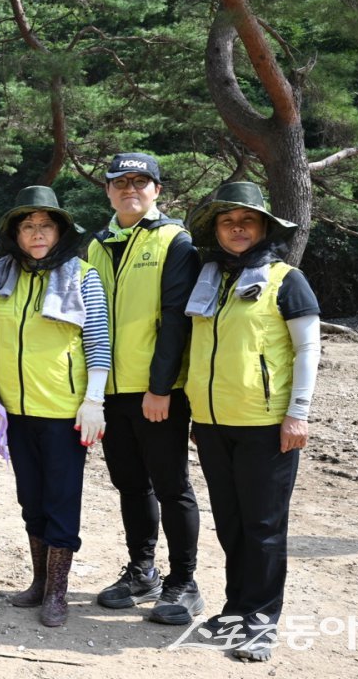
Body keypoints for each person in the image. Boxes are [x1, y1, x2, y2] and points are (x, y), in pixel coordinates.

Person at [183, 182, 320, 662]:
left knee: (263, 526)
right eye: (227, 221)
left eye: (247, 221)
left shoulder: (287, 279)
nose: (237, 229)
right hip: (214, 424)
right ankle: (236, 608)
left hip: (267, 425)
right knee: (231, 523)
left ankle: (261, 622)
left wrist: (297, 414)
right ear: (216, 231)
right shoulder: (210, 279)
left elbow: (308, 350)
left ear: (264, 228)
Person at [86, 153, 204, 624]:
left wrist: (160, 388)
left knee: (172, 485)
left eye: (140, 181)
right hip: (109, 391)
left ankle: (184, 581)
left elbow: (176, 319)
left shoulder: (175, 241)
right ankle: (142, 569)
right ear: (109, 190)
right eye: (120, 182)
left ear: (156, 189)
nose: (129, 188)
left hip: (157, 392)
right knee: (130, 485)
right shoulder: (95, 245)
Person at [0, 185, 110, 627]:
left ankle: (58, 592)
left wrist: (93, 400)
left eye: (45, 225)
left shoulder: (82, 275)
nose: (36, 233)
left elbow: (99, 341)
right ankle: (39, 581)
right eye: (27, 225)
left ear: (60, 230)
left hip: (64, 411)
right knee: (30, 499)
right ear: (16, 234)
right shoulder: (1, 274)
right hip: (15, 412)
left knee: (61, 501)